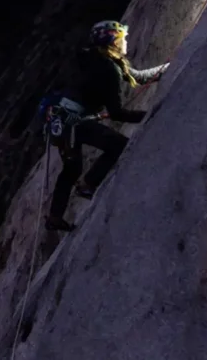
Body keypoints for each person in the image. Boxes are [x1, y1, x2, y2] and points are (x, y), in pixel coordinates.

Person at [42, 20, 169, 232]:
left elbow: (136, 76)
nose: (125, 41)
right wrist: (149, 115)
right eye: (122, 38)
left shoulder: (95, 58)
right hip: (75, 123)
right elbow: (117, 113)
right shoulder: (108, 68)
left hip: (60, 120)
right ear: (112, 40)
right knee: (118, 145)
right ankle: (88, 185)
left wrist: (163, 70)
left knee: (72, 169)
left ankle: (55, 217)